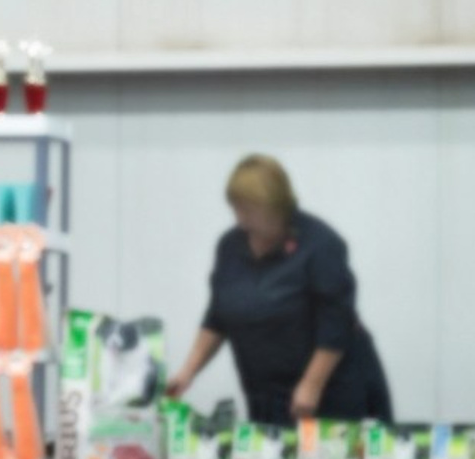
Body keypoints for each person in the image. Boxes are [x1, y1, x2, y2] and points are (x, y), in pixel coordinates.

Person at [165, 153, 391, 426]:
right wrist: (188, 372)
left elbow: (337, 322)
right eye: (236, 206)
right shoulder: (230, 246)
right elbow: (218, 317)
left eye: (248, 208)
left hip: (330, 389)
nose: (240, 217)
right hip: (265, 391)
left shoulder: (320, 244)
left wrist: (311, 385)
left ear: (275, 205)